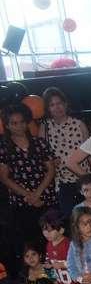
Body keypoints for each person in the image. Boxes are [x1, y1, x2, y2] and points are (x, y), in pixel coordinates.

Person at [0, 104, 57, 260]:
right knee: (30, 244)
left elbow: (51, 170)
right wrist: (28, 195)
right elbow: (4, 177)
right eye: (14, 123)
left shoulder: (40, 143)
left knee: (52, 239)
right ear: (7, 125)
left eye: (22, 122)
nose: (19, 126)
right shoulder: (3, 147)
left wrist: (37, 194)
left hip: (45, 199)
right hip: (22, 203)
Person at [38, 87, 90, 216]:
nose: (57, 107)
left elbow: (90, 153)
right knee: (70, 219)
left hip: (83, 178)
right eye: (52, 105)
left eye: (59, 103)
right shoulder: (45, 127)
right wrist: (51, 161)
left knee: (89, 218)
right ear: (47, 108)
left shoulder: (79, 124)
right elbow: (42, 155)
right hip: (62, 183)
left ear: (65, 104)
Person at [40, 209, 82, 284]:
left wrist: (62, 264)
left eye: (50, 230)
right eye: (44, 230)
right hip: (61, 281)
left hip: (73, 281)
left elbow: (78, 261)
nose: (46, 233)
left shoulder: (68, 244)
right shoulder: (49, 245)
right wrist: (49, 268)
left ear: (61, 230)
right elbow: (49, 260)